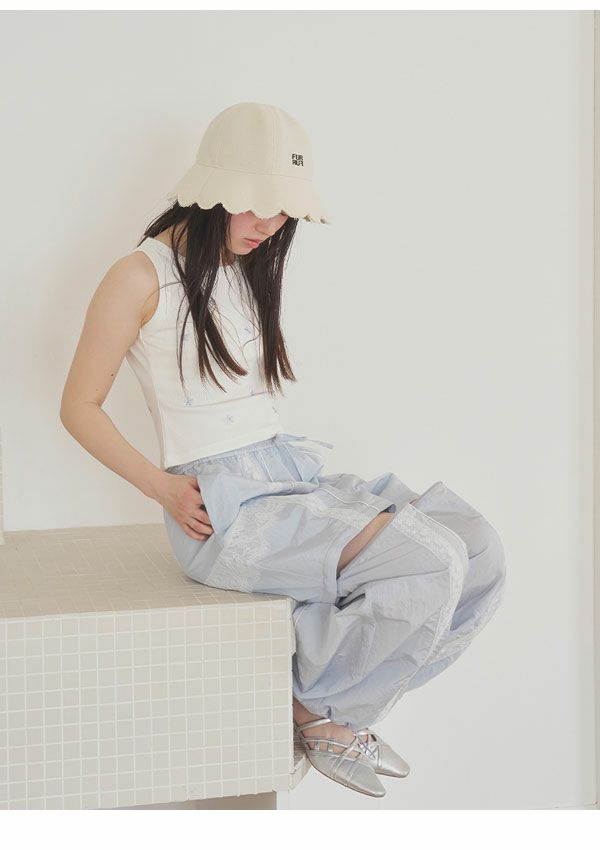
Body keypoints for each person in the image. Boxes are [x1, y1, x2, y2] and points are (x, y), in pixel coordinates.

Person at [60, 101, 507, 798]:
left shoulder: (240, 265)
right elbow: (77, 407)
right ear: (213, 186)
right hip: (225, 508)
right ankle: (313, 710)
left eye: (283, 208)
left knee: (478, 550)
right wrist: (162, 488)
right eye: (258, 201)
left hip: (285, 477)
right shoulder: (138, 276)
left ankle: (326, 708)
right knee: (428, 559)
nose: (271, 223)